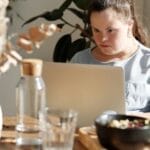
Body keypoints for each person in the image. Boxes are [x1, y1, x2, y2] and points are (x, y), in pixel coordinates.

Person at [71, 0, 150, 112]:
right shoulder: (79, 60)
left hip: (133, 128)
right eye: (96, 30)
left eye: (110, 30)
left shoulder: (147, 62)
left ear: (129, 25)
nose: (102, 39)